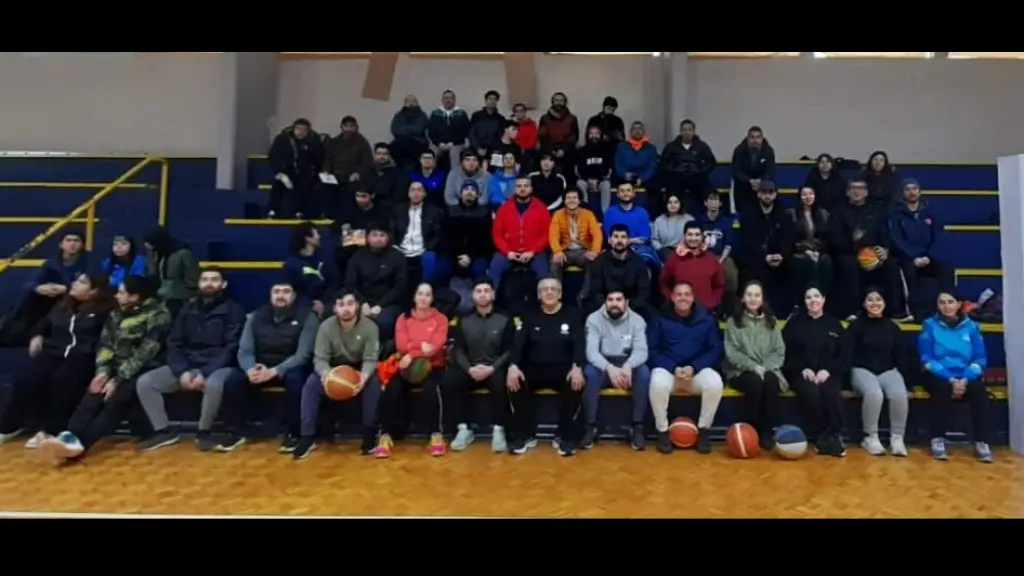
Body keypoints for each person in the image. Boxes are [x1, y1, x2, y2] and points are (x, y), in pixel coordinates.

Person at [38, 276, 172, 463]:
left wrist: (118, 379)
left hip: (144, 369)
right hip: (114, 368)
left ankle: (81, 446)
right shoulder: (116, 314)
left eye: (122, 292)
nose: (116, 296)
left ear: (134, 297)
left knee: (115, 400)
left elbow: (146, 352)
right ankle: (68, 436)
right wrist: (103, 372)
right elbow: (106, 345)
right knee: (93, 394)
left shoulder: (158, 316)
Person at [134, 268, 246, 452]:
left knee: (214, 384)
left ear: (223, 284)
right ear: (199, 283)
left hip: (219, 365)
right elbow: (174, 343)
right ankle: (164, 431)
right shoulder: (187, 309)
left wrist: (205, 372)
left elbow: (231, 348)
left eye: (214, 280)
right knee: (146, 382)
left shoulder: (234, 310)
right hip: (187, 363)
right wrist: (182, 371)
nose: (209, 283)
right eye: (205, 279)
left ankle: (204, 431)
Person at [0, 274, 114, 447]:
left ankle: (51, 430)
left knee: (62, 382)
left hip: (83, 356)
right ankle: (9, 426)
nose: (74, 284)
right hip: (54, 351)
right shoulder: (63, 304)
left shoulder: (105, 311)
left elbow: (106, 340)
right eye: (75, 280)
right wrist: (37, 335)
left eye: (82, 282)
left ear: (94, 290)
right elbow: (45, 323)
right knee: (27, 379)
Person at [217, 280, 318, 453]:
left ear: (293, 296)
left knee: (297, 381)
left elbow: (302, 355)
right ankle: (234, 432)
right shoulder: (255, 316)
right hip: (260, 366)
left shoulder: (308, 317)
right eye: (276, 291)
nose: (280, 296)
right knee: (233, 380)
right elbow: (244, 350)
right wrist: (250, 369)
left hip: (289, 366)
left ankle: (293, 433)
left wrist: (275, 371)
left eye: (286, 291)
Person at [296, 291, 382, 459]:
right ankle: (307, 437)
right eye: (341, 305)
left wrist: (363, 377)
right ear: (335, 308)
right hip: (333, 368)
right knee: (311, 385)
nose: (346, 309)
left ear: (356, 306)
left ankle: (369, 433)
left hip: (359, 367)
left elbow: (371, 358)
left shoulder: (370, 327)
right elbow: (320, 358)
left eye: (350, 304)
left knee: (373, 383)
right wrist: (328, 376)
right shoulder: (326, 327)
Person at [506, 277, 586, 456]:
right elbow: (518, 343)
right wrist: (513, 365)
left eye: (553, 289)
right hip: (534, 367)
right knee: (514, 380)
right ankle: (525, 435)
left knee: (577, 383)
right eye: (544, 289)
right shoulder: (529, 313)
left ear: (560, 294)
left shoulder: (572, 313)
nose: (549, 292)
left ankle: (564, 436)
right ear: (539, 294)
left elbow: (579, 343)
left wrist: (577, 366)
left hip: (564, 368)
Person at [647, 282, 724, 455]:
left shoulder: (706, 319)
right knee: (656, 383)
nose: (683, 298)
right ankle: (662, 431)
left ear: (692, 297)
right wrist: (672, 367)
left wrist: (694, 367)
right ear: (672, 297)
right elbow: (652, 350)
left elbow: (715, 349)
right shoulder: (660, 318)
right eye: (679, 294)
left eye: (687, 294)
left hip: (695, 371)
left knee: (715, 383)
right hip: (669, 371)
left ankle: (704, 430)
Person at [918, 291, 993, 462]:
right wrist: (950, 379)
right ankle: (937, 438)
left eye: (950, 302)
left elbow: (980, 358)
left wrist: (965, 378)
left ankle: (982, 441)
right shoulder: (929, 325)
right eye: (942, 302)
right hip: (938, 372)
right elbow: (927, 358)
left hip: (966, 373)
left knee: (978, 390)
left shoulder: (972, 327)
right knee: (941, 387)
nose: (946, 306)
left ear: (959, 304)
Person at [376, 283, 449, 458]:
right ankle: (385, 435)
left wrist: (412, 350)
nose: (423, 298)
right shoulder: (403, 318)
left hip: (434, 365)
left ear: (432, 299)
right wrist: (419, 349)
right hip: (406, 364)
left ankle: (436, 434)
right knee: (391, 388)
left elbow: (434, 348)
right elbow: (401, 345)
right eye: (420, 294)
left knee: (432, 388)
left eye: (427, 294)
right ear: (414, 297)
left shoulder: (440, 319)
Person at [443, 278, 515, 452]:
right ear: (473, 296)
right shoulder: (463, 319)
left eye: (486, 290)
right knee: (450, 381)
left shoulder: (505, 318)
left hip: (494, 367)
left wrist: (492, 368)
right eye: (479, 291)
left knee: (501, 382)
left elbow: (510, 349)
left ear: (493, 294)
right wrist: (469, 369)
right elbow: (457, 349)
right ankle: (463, 429)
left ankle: (499, 430)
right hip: (470, 367)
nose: (483, 294)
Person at [782, 286, 850, 457]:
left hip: (828, 372)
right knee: (811, 393)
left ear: (823, 299)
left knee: (831, 393)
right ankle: (820, 435)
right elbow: (785, 352)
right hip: (799, 372)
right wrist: (802, 368)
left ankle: (834, 435)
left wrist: (828, 370)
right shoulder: (794, 324)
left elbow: (844, 355)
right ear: (804, 301)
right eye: (808, 297)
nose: (813, 300)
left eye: (816, 296)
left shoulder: (834, 324)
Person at [828, 180, 909, 320]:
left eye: (860, 188)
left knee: (891, 265)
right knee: (848, 266)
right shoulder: (838, 211)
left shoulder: (876, 210)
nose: (856, 191)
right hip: (848, 253)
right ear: (847, 192)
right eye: (853, 188)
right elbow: (834, 238)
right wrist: (854, 243)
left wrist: (884, 249)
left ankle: (896, 311)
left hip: (873, 253)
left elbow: (884, 233)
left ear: (866, 192)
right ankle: (854, 311)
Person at [582, 289, 650, 450]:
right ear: (605, 302)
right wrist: (610, 369)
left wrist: (628, 366)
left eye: (619, 299)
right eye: (610, 299)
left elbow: (642, 351)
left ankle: (637, 426)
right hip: (603, 363)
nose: (614, 303)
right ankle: (590, 426)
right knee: (589, 373)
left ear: (626, 302)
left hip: (628, 362)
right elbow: (591, 352)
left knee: (644, 374)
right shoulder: (593, 319)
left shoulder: (638, 320)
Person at [847, 288, 910, 457]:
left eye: (878, 299)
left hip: (888, 370)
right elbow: (847, 354)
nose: (874, 303)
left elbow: (901, 355)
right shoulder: (856, 326)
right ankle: (870, 437)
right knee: (874, 393)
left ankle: (897, 438)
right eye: (870, 300)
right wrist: (845, 383)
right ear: (864, 303)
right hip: (861, 369)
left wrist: (908, 382)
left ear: (884, 303)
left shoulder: (892, 327)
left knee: (899, 394)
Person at [723, 281, 785, 451]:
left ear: (762, 299)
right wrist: (753, 367)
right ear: (743, 298)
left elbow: (779, 351)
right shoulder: (733, 322)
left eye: (757, 295)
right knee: (754, 384)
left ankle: (766, 430)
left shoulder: (771, 322)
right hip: (740, 370)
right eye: (749, 295)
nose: (753, 298)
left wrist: (765, 367)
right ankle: (751, 430)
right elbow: (732, 353)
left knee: (771, 383)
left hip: (768, 368)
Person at [5, 230, 92, 346]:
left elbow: (94, 284)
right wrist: (38, 288)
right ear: (61, 244)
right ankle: (14, 332)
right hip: (53, 297)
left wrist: (67, 288)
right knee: (30, 295)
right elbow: (31, 281)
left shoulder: (90, 262)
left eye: (76, 241)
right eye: (68, 240)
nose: (72, 244)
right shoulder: (52, 263)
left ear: (82, 244)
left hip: (77, 298)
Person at [888, 178, 956, 321]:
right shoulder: (895, 214)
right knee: (908, 271)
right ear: (902, 193)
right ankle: (915, 312)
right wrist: (914, 256)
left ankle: (947, 308)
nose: (911, 192)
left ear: (919, 192)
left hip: (928, 257)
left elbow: (938, 237)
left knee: (946, 269)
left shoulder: (930, 212)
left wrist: (929, 256)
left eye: (914, 189)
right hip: (907, 258)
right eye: (907, 189)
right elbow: (897, 240)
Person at [343, 222, 408, 338]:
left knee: (383, 322)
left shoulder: (397, 256)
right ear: (367, 237)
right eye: (374, 235)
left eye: (382, 235)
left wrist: (380, 305)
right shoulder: (357, 256)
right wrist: (362, 303)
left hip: (388, 303)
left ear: (388, 237)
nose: (378, 239)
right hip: (362, 301)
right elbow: (350, 284)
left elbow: (401, 286)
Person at [489, 176, 552, 293]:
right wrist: (507, 252)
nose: (522, 189)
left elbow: (546, 235)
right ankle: (491, 302)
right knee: (495, 267)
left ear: (531, 188)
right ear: (514, 189)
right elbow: (497, 235)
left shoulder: (541, 208)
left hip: (534, 252)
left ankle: (544, 303)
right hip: (509, 251)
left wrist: (533, 251)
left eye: (526, 186)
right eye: (519, 186)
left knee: (544, 274)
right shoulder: (504, 208)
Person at [739, 180, 792, 311]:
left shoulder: (783, 215)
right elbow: (749, 240)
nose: (767, 195)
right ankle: (756, 307)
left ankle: (786, 310)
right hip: (757, 256)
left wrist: (781, 255)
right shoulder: (749, 214)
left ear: (775, 195)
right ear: (758, 194)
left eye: (770, 192)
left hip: (779, 256)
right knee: (753, 269)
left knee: (794, 266)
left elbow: (788, 238)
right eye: (764, 192)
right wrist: (765, 256)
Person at [584, 223, 653, 319]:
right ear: (609, 240)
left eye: (623, 237)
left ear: (628, 241)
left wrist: (627, 307)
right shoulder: (599, 262)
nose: (619, 240)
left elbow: (643, 292)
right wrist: (609, 306)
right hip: (604, 306)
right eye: (616, 237)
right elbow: (595, 291)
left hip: (631, 307)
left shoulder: (638, 263)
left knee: (649, 312)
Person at [659, 222, 725, 313]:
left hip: (706, 312)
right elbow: (664, 283)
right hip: (679, 312)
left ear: (702, 237)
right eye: (690, 234)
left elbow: (719, 285)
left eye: (697, 235)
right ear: (684, 236)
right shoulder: (673, 259)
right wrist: (672, 301)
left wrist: (712, 303)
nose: (693, 238)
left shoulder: (712, 259)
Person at [267, 118, 324, 218]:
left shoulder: (313, 142)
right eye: (298, 129)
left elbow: (318, 160)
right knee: (278, 185)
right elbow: (274, 157)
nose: (301, 132)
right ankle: (272, 211)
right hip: (285, 173)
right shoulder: (282, 140)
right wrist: (279, 173)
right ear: (293, 129)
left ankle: (300, 212)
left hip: (305, 174)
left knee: (308, 186)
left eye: (304, 130)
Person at [658, 119, 717, 216]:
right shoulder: (671, 146)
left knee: (709, 191)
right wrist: (674, 170)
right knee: (666, 190)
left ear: (694, 131)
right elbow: (663, 163)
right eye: (684, 130)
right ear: (680, 131)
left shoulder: (702, 146)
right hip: (677, 179)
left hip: (697, 178)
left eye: (689, 130)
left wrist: (701, 171)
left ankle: (707, 217)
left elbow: (711, 162)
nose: (687, 132)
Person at [392, 181, 446, 285]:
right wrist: (394, 245)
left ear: (425, 194)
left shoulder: (433, 211)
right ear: (408, 193)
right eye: (412, 190)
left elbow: (438, 234)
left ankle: (426, 288)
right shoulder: (398, 210)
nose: (416, 193)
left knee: (430, 259)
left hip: (423, 249)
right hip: (401, 248)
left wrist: (429, 246)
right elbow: (392, 230)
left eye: (419, 190)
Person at [321, 116, 374, 221]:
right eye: (346, 126)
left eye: (351, 126)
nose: (349, 129)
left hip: (353, 178)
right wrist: (325, 171)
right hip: (334, 177)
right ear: (342, 127)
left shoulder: (362, 142)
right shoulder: (334, 142)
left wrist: (358, 173)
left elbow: (367, 162)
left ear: (356, 127)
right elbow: (328, 159)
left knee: (351, 194)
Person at [283, 222, 339, 319]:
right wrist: (310, 303)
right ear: (308, 238)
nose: (319, 237)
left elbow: (334, 284)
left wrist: (322, 302)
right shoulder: (292, 263)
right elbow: (289, 289)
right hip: (301, 305)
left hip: (326, 303)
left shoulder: (326, 259)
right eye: (316, 233)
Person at [143, 226, 199, 318]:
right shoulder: (153, 252)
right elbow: (151, 273)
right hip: (157, 295)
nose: (148, 246)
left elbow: (192, 280)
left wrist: (187, 296)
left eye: (150, 244)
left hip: (178, 298)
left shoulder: (183, 253)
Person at [330, 186, 385, 278]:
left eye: (363, 196)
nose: (359, 199)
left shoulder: (380, 212)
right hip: (351, 248)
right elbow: (335, 228)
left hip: (371, 247)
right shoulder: (348, 210)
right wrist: (343, 230)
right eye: (357, 196)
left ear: (372, 196)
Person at [695, 190, 739, 306]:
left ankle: (729, 304)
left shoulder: (726, 222)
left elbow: (728, 244)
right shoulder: (699, 221)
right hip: (702, 255)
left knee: (730, 272)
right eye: (710, 199)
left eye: (716, 200)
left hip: (721, 256)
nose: (713, 202)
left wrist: (721, 259)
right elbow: (695, 241)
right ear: (705, 203)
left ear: (720, 203)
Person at [788, 186, 833, 298]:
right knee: (807, 263)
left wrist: (819, 251)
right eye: (804, 194)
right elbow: (790, 238)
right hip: (800, 251)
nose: (808, 197)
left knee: (826, 262)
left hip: (820, 251)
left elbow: (827, 237)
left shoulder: (824, 214)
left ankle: (822, 297)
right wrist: (806, 250)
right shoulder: (791, 214)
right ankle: (804, 299)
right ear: (799, 197)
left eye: (810, 194)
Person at [603, 182, 660, 268]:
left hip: (639, 249)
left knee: (644, 259)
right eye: (622, 191)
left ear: (633, 193)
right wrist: (632, 240)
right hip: (617, 248)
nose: (625, 193)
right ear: (617, 194)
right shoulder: (609, 213)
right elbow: (610, 239)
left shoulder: (642, 212)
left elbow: (644, 239)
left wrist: (625, 241)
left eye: (628, 190)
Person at [548, 189, 601, 281]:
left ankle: (585, 294)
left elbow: (597, 235)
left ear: (579, 201)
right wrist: (557, 251)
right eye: (568, 198)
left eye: (574, 198)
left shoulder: (588, 214)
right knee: (555, 262)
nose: (571, 200)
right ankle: (556, 293)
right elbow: (553, 235)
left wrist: (594, 251)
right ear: (564, 201)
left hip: (583, 252)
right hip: (565, 253)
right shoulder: (557, 214)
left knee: (594, 262)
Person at [447, 181, 492, 280]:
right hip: (453, 255)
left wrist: (470, 256)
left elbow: (486, 241)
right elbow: (446, 238)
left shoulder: (484, 213)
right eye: (466, 189)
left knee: (480, 271)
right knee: (442, 270)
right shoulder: (450, 211)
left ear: (477, 195)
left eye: (473, 190)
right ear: (461, 193)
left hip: (477, 255)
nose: (469, 192)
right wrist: (457, 257)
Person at [730, 125, 776, 220]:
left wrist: (761, 181)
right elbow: (736, 170)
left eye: (758, 137)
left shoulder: (768, 151)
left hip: (763, 186)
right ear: (748, 139)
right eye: (752, 137)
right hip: (743, 185)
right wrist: (749, 181)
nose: (755, 140)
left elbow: (770, 170)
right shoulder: (739, 150)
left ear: (762, 139)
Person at [613, 122, 659, 211]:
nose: (637, 131)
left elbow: (652, 166)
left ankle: (652, 216)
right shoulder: (621, 147)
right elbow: (618, 164)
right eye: (635, 129)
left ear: (644, 131)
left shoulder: (651, 148)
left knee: (656, 188)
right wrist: (624, 174)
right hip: (625, 177)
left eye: (640, 129)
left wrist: (643, 178)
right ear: (630, 132)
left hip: (645, 178)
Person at [574, 125, 615, 214]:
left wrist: (599, 180)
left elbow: (608, 169)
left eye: (596, 133)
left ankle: (606, 213)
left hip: (601, 180)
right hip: (586, 180)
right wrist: (588, 180)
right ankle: (584, 213)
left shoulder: (607, 151)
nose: (594, 136)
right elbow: (579, 169)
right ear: (587, 135)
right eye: (591, 133)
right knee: (579, 183)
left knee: (607, 185)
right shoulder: (581, 151)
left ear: (601, 135)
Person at [427, 90, 470, 170]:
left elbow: (465, 131)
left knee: (454, 155)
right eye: (446, 98)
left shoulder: (461, 113)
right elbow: (431, 131)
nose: (448, 100)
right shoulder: (435, 113)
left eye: (450, 98)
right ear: (442, 100)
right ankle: (429, 178)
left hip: (456, 144)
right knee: (430, 156)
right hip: (438, 144)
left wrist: (453, 143)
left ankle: (455, 179)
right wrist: (439, 143)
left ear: (454, 100)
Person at [537, 92, 579, 165]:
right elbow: (542, 136)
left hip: (567, 151)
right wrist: (551, 150)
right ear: (552, 102)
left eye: (561, 101)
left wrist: (563, 149)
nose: (559, 103)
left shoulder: (572, 118)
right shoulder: (544, 118)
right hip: (549, 151)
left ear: (565, 103)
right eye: (556, 100)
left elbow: (574, 136)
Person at [368, 143, 410, 215]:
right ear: (374, 155)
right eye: (379, 153)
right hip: (368, 206)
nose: (381, 156)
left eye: (385, 154)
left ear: (389, 156)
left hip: (388, 209)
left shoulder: (397, 173)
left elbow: (399, 195)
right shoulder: (368, 170)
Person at [389, 95, 430, 168]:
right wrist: (411, 130)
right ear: (404, 103)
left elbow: (419, 129)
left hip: (417, 142)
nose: (410, 103)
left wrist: (404, 129)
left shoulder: (422, 115)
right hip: (399, 142)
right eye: (408, 101)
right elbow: (395, 130)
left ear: (417, 103)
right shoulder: (399, 115)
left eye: (413, 101)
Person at [651, 194, 694, 261]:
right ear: (666, 205)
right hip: (665, 252)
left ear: (680, 204)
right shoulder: (659, 220)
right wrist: (661, 248)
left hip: (685, 251)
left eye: (676, 202)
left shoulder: (689, 219)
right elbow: (654, 239)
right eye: (669, 203)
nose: (672, 205)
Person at [468, 89, 505, 163]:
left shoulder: (500, 118)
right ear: (485, 100)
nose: (492, 101)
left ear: (497, 102)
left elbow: (499, 136)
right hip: (476, 148)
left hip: (493, 150)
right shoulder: (476, 116)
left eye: (495, 99)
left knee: (497, 161)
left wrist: (491, 150)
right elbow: (471, 133)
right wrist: (478, 148)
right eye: (490, 99)